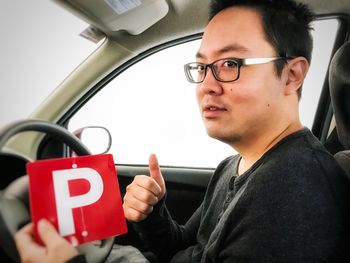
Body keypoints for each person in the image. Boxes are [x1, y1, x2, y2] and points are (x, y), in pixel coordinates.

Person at [15, 0, 350, 262]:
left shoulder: (294, 195)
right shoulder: (235, 165)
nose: (207, 85)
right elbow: (184, 249)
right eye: (202, 67)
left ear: (292, 75)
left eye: (230, 64)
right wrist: (153, 213)